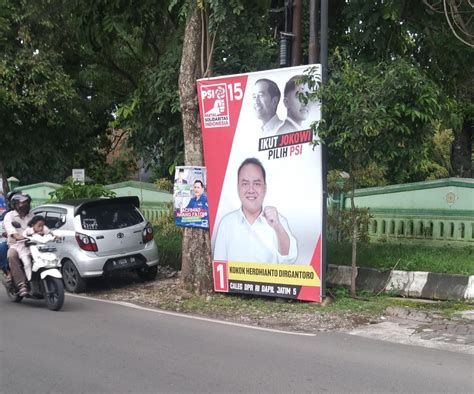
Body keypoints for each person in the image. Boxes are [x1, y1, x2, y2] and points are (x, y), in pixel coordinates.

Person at [214, 158, 297, 264]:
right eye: (245, 184)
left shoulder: (278, 221)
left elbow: (289, 258)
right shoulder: (227, 223)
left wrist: (277, 226)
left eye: (257, 184)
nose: (251, 190)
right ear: (238, 187)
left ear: (265, 188)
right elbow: (219, 266)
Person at [3, 193, 34, 296]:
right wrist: (17, 236)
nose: (25, 205)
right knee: (11, 255)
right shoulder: (9, 216)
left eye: (26, 203)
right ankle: (21, 284)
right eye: (22, 203)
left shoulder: (31, 216)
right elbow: (11, 232)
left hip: (32, 244)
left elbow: (39, 228)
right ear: (15, 205)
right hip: (15, 245)